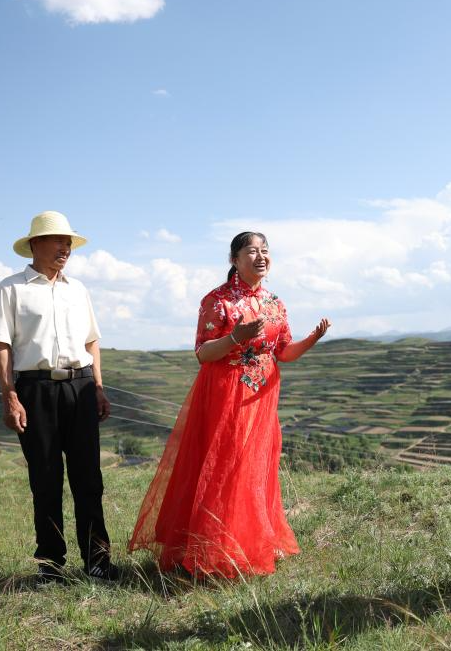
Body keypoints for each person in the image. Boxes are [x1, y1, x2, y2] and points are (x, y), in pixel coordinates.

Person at [129, 231, 331, 578]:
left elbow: (284, 352)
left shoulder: (274, 302)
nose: (261, 256)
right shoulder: (218, 300)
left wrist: (313, 338)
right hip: (226, 394)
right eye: (252, 251)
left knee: (256, 467)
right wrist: (236, 337)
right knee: (225, 467)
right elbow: (203, 353)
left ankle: (251, 542)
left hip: (262, 397)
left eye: (265, 250)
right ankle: (211, 549)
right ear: (234, 260)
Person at [0, 211, 115, 584]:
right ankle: (51, 565)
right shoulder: (10, 289)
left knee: (89, 478)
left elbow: (91, 341)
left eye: (69, 242)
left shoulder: (78, 289)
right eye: (58, 241)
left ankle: (98, 561)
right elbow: (1, 345)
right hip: (36, 390)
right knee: (45, 479)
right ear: (35, 244)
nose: (66, 248)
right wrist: (10, 396)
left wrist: (98, 386)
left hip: (81, 387)